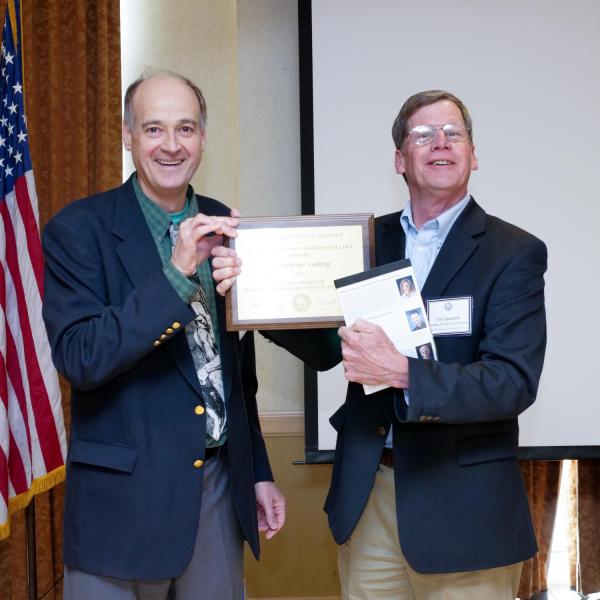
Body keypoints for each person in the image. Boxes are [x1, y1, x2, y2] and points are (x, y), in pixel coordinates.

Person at [233, 90, 547, 599]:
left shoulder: (513, 253)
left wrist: (404, 372)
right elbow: (325, 350)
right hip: (370, 497)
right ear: (401, 159)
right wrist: (256, 293)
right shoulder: (365, 241)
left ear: (473, 154)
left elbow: (511, 382)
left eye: (454, 133)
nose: (439, 142)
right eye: (422, 134)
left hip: (463, 511)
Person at [42, 70, 285, 600]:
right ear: (128, 136)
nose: (171, 145)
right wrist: (175, 276)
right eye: (154, 129)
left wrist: (257, 471)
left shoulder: (225, 222)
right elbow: (81, 357)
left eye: (186, 129)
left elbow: (237, 376)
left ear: (203, 138)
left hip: (219, 492)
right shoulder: (78, 229)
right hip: (121, 507)